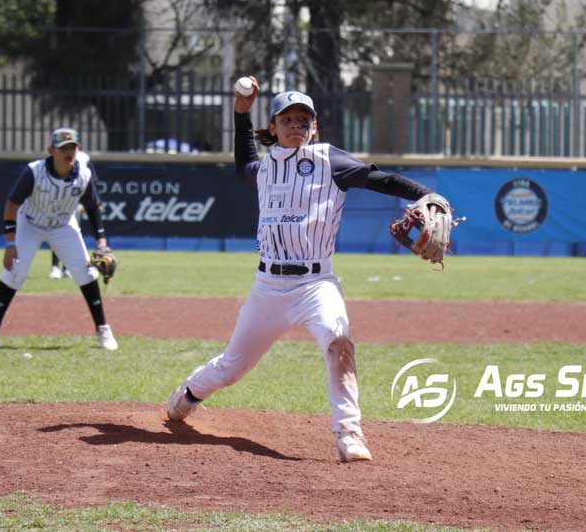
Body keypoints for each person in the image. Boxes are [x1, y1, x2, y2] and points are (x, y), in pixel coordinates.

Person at [164, 78, 438, 463]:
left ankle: (349, 433)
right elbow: (243, 160)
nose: (297, 125)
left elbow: (382, 180)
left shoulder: (330, 160)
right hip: (268, 286)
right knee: (232, 367)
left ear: (315, 127)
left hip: (316, 282)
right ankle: (188, 395)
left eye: (304, 119)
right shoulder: (264, 168)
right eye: (287, 119)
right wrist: (241, 109)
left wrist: (426, 195)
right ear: (273, 128)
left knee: (338, 341)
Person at [0, 127, 118, 351]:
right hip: (30, 223)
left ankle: (103, 328)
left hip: (63, 225)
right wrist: (9, 243)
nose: (69, 152)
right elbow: (11, 205)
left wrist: (101, 241)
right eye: (64, 148)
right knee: (15, 272)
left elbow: (93, 208)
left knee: (85, 273)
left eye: (72, 147)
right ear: (51, 150)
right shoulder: (34, 172)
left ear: (79, 149)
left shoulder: (84, 174)